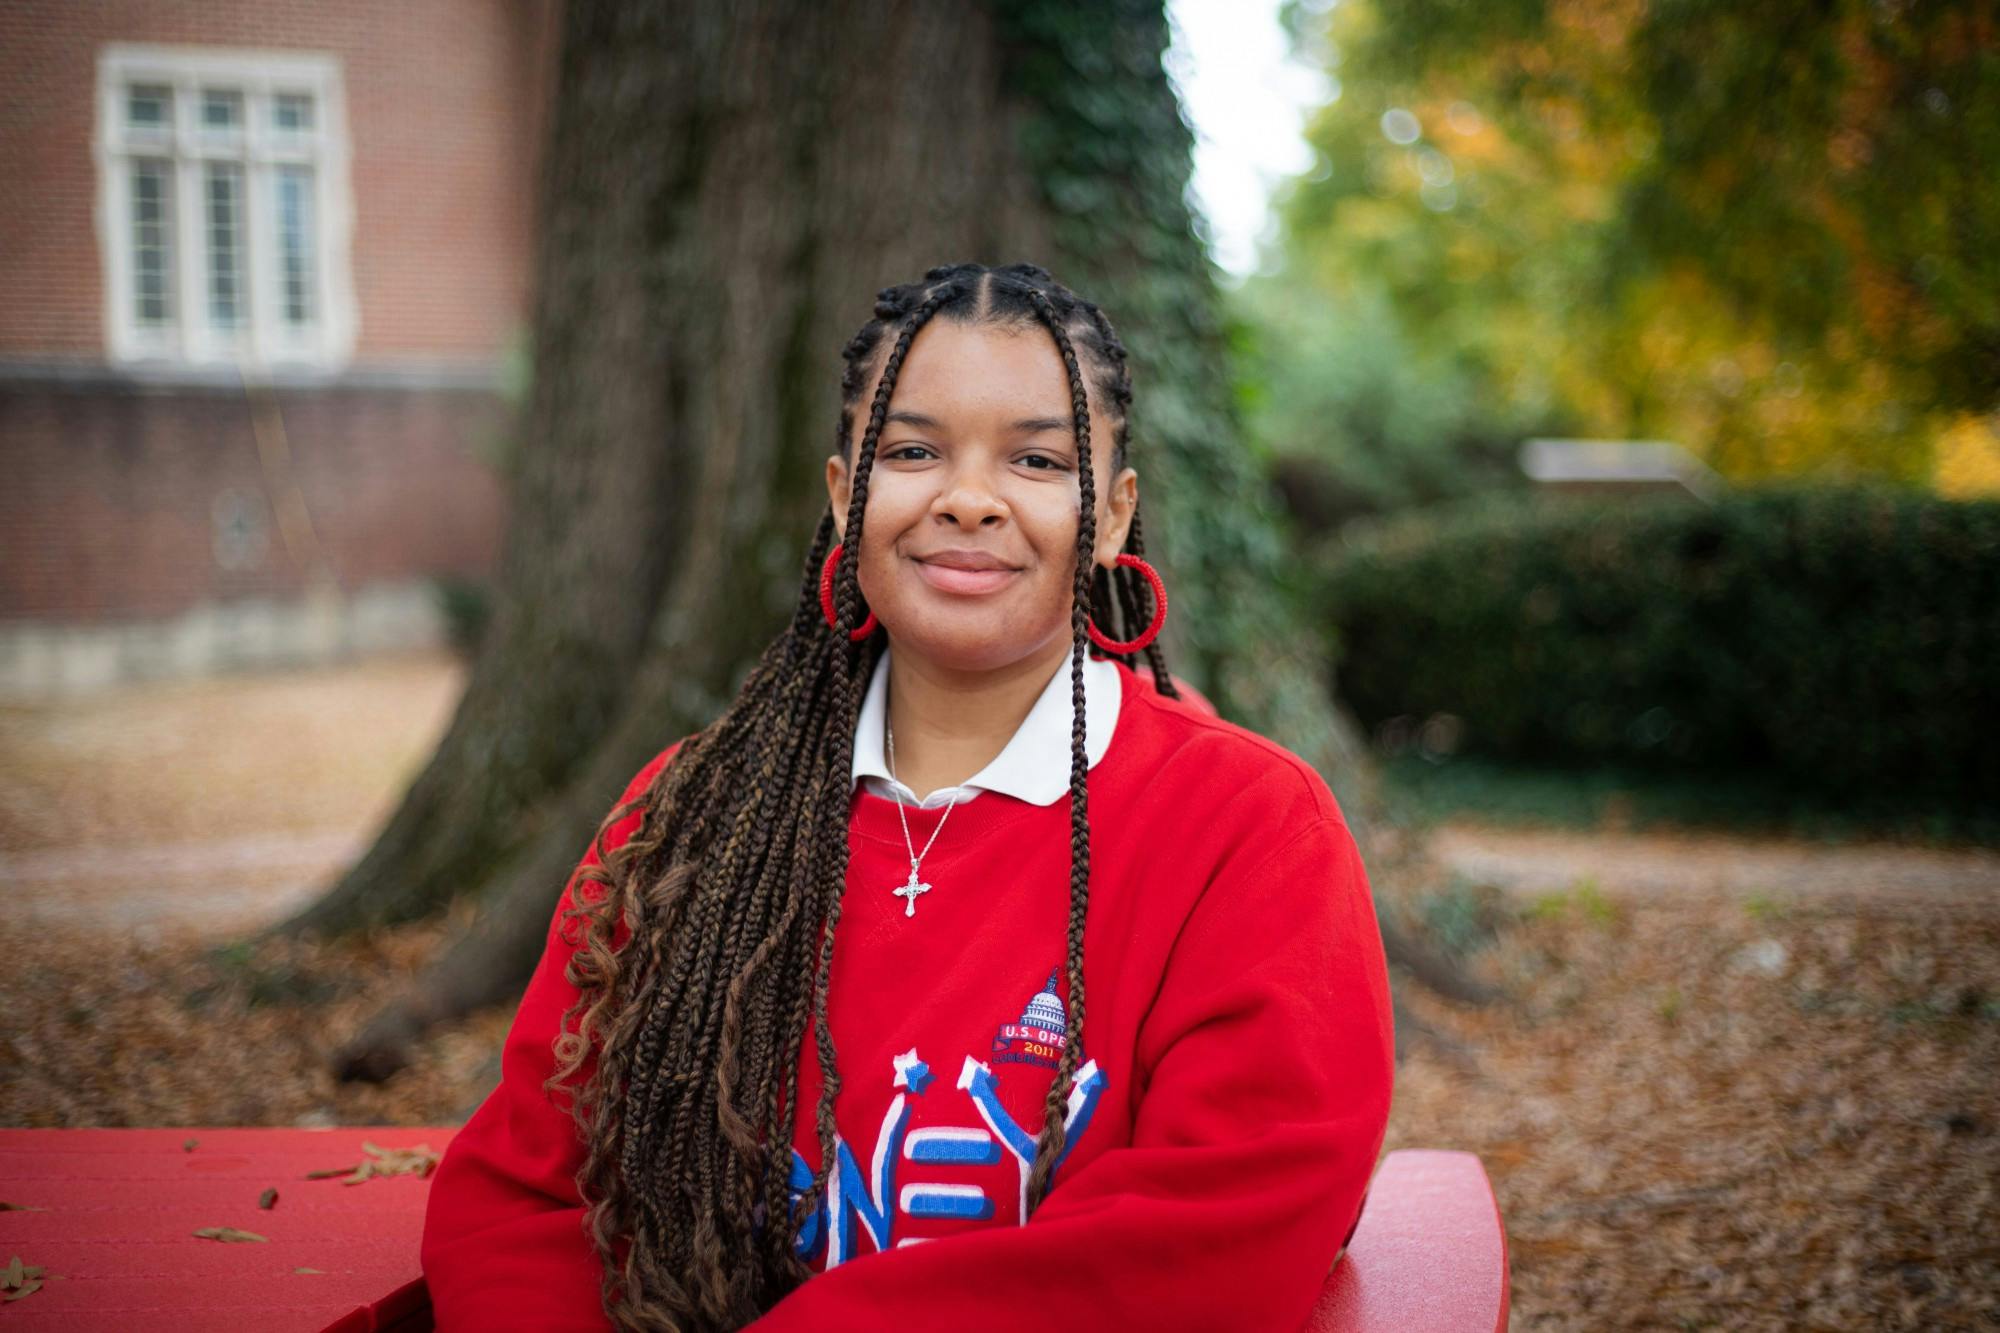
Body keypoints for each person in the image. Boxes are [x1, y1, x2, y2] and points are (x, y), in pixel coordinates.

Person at [419, 261, 1395, 1332]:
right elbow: (526, 1199)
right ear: (845, 497)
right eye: (912, 451)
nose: (966, 499)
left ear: (1112, 516)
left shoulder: (1247, 827)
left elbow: (1220, 1234)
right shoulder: (687, 813)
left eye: (1033, 458)